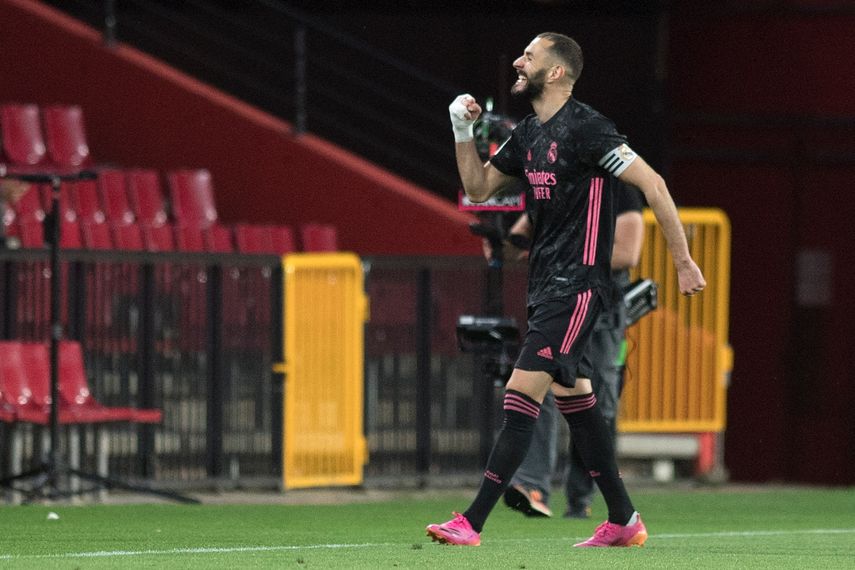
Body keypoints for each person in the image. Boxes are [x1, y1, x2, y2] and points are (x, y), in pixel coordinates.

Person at [425, 32, 705, 548]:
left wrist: (683, 261)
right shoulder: (530, 133)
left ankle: (471, 521)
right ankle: (623, 519)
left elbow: (655, 185)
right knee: (576, 401)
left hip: (578, 287)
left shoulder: (590, 130)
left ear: (556, 72)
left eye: (529, 55)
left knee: (519, 393)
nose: (517, 60)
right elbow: (481, 189)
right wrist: (461, 130)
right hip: (545, 287)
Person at [500, 180, 644, 520]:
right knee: (540, 388)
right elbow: (521, 236)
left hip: (602, 308)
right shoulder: (554, 186)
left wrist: (564, 253)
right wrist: (503, 244)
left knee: (597, 402)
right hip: (558, 304)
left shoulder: (619, 188)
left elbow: (627, 253)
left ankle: (582, 498)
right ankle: (533, 486)